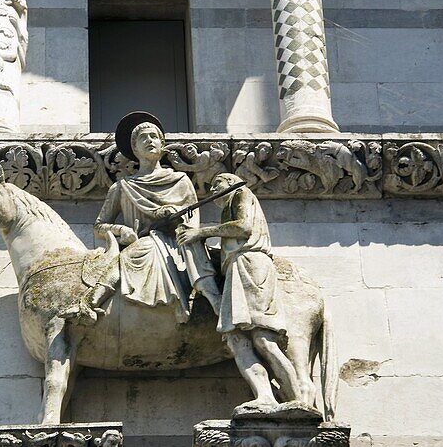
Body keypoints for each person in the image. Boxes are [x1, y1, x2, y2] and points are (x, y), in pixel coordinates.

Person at [66, 112, 222, 324]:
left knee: (181, 245)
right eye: (143, 138)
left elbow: (192, 218)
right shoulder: (122, 187)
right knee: (140, 250)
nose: (150, 141)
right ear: (134, 149)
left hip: (178, 242)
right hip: (143, 242)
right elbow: (99, 226)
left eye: (154, 137)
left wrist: (173, 216)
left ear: (162, 144)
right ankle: (90, 303)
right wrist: (121, 231)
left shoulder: (180, 180)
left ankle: (215, 299)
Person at [176, 171, 306, 412]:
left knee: (263, 340)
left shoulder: (240, 194)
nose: (213, 190)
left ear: (231, 183)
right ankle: (265, 396)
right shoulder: (227, 208)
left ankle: (298, 400)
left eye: (217, 184)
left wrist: (201, 232)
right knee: (237, 341)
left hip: (250, 265)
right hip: (236, 268)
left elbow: (243, 227)